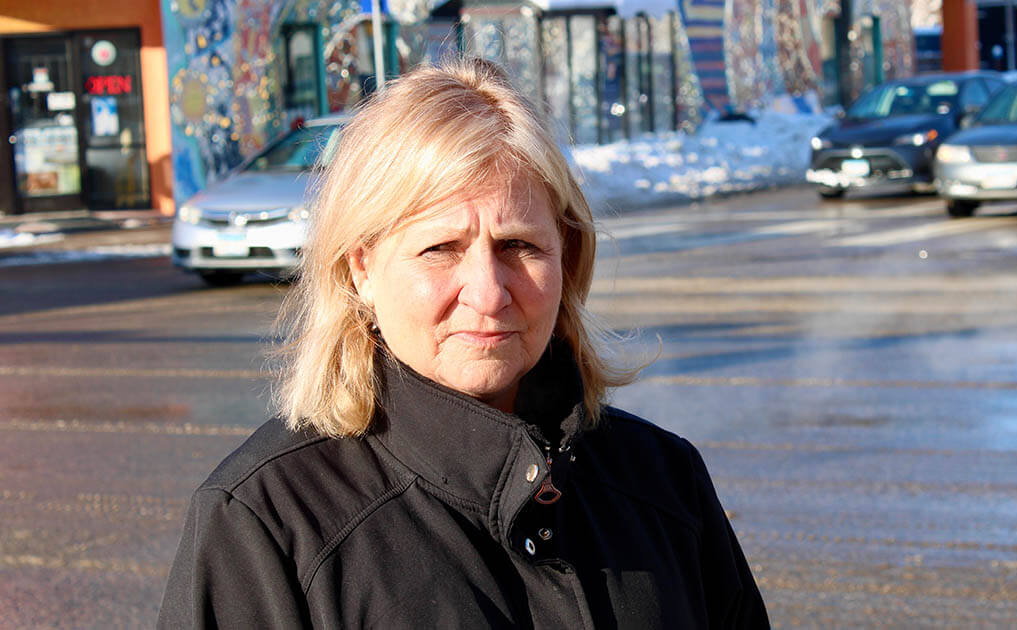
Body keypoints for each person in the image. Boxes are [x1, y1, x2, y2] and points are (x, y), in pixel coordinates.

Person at [158, 57, 769, 628]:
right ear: (360, 268)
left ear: (568, 255)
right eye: (440, 249)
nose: (488, 291)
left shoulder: (663, 480)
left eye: (519, 246)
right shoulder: (266, 522)